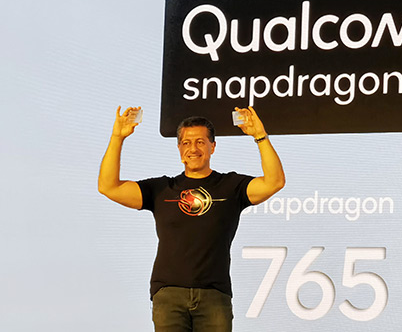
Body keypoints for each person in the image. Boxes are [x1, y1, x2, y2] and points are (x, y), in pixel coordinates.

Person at [98, 105, 285, 332]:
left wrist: (260, 136)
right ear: (179, 148)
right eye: (186, 143)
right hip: (169, 294)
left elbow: (274, 181)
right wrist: (117, 138)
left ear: (212, 146)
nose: (193, 149)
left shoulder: (230, 186)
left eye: (200, 142)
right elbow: (108, 186)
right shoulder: (162, 189)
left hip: (214, 295)